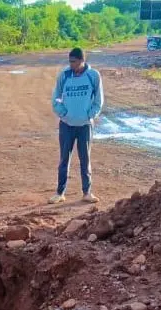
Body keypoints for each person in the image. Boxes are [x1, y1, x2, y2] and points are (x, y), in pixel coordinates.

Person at [50, 47, 104, 205]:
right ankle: (60, 193)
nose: (71, 64)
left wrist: (90, 115)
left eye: (73, 62)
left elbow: (98, 100)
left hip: (85, 126)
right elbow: (56, 98)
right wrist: (63, 113)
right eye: (69, 61)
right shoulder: (65, 75)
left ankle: (87, 192)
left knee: (85, 159)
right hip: (67, 125)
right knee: (64, 159)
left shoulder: (93, 76)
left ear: (82, 61)